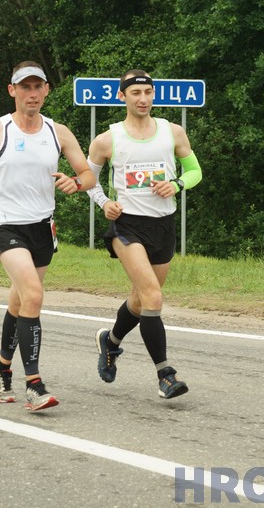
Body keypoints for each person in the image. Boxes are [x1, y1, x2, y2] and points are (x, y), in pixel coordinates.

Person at [0, 61, 95, 411]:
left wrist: (75, 183)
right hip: (5, 224)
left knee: (20, 302)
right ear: (12, 90)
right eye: (24, 87)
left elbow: (88, 174)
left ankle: (1, 367)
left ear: (46, 90)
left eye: (37, 87)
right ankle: (35, 385)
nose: (31, 94)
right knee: (33, 294)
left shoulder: (58, 132)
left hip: (42, 227)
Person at [86, 69, 203, 399]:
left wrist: (177, 183)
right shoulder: (107, 139)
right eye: (135, 93)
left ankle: (110, 343)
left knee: (141, 301)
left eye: (148, 92)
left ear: (154, 95)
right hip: (127, 226)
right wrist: (104, 202)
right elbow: (86, 178)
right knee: (152, 296)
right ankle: (165, 375)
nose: (143, 99)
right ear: (122, 97)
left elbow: (195, 171)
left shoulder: (172, 132)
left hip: (163, 226)